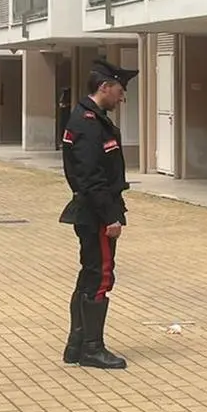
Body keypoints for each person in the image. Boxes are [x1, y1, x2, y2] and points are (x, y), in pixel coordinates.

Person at [60, 60, 138, 369]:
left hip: (91, 208)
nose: (122, 98)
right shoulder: (88, 123)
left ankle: (76, 344)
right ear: (104, 87)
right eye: (119, 91)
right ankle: (92, 348)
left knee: (89, 274)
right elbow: (91, 177)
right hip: (96, 213)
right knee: (101, 276)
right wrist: (111, 217)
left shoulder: (87, 119)